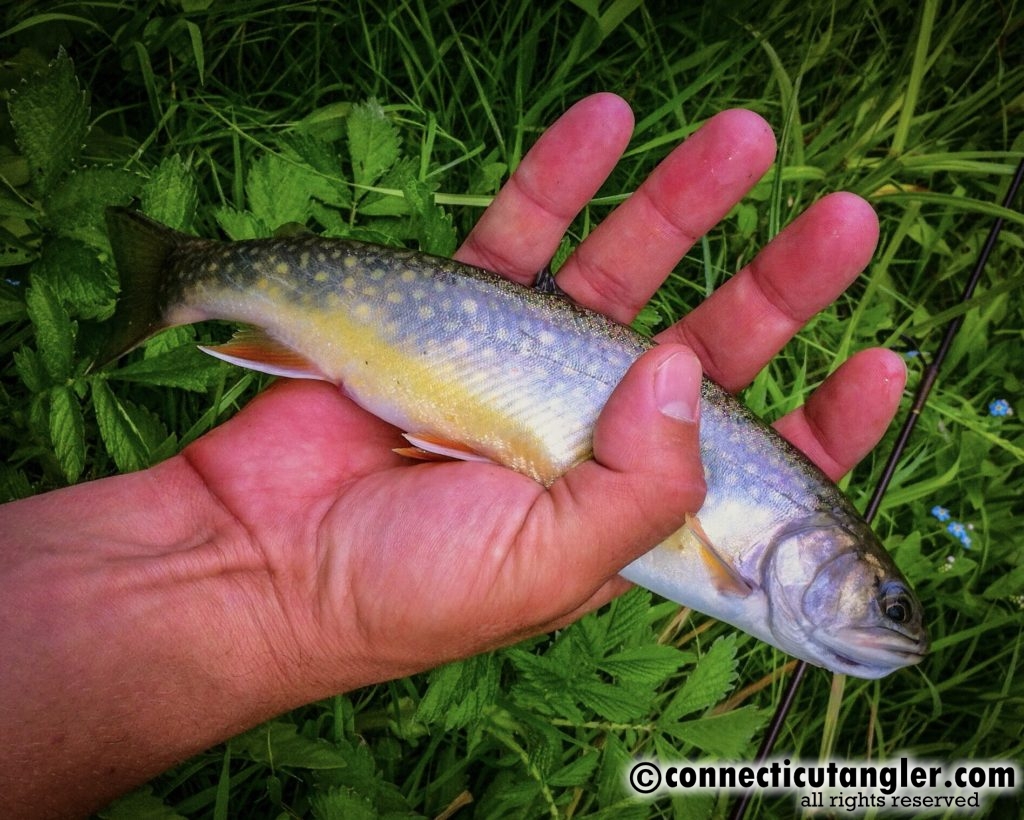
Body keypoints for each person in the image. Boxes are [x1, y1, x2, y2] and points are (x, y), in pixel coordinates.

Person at [0, 93, 905, 818]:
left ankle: (188, 278)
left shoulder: (760, 551)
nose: (888, 623)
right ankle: (185, 278)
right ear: (829, 548)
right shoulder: (747, 555)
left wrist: (284, 591)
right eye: (886, 601)